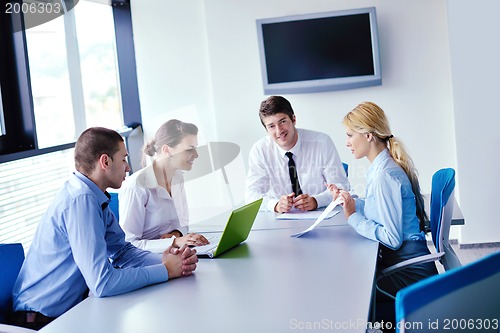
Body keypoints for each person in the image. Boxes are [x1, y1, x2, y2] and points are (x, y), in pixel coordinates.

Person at [10, 127, 198, 330]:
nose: (128, 168)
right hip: (40, 322)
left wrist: (169, 259)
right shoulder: (81, 201)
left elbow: (122, 253)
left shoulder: (96, 197)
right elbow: (102, 283)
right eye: (124, 159)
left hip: (70, 312)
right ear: (105, 162)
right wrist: (165, 271)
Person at [327, 101, 438, 323]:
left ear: (368, 135)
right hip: (406, 263)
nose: (347, 142)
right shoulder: (381, 167)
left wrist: (353, 218)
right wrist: (351, 203)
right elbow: (379, 207)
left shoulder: (383, 175)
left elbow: (392, 239)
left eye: (350, 135)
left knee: (347, 294)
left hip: (409, 272)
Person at [245, 95, 349, 213]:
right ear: (266, 129)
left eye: (282, 121)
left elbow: (341, 186)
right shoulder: (260, 150)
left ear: (294, 119)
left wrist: (316, 201)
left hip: (321, 215)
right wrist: (275, 205)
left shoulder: (322, 142)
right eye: (271, 126)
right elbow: (251, 195)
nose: (279, 131)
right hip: (280, 221)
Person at [119, 119, 209, 253]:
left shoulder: (178, 176)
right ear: (167, 150)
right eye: (190, 149)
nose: (196, 154)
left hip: (172, 254)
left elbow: (183, 223)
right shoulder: (136, 187)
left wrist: (177, 233)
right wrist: (175, 241)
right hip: (146, 261)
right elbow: (128, 245)